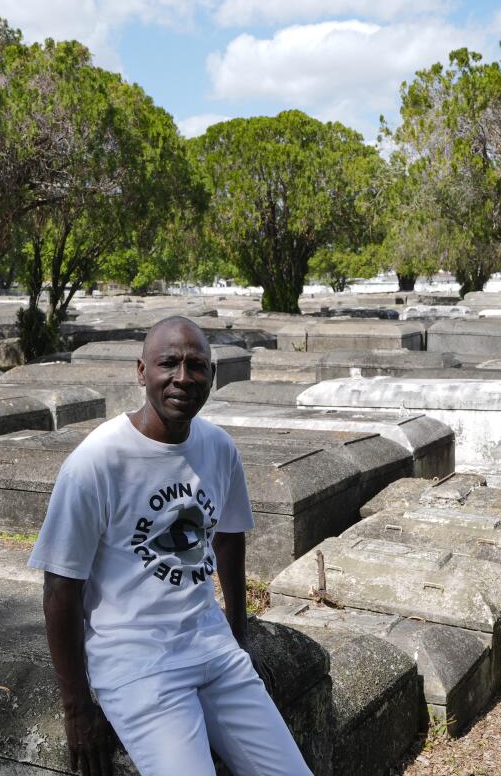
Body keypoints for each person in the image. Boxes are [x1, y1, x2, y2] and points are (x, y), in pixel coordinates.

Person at [28, 316, 312, 776]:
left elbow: (228, 537)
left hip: (212, 649)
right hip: (138, 662)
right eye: (169, 364)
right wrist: (76, 706)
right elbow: (60, 587)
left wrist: (239, 635)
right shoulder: (97, 462)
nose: (183, 377)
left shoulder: (218, 448)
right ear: (142, 371)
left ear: (212, 377)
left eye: (196, 366)